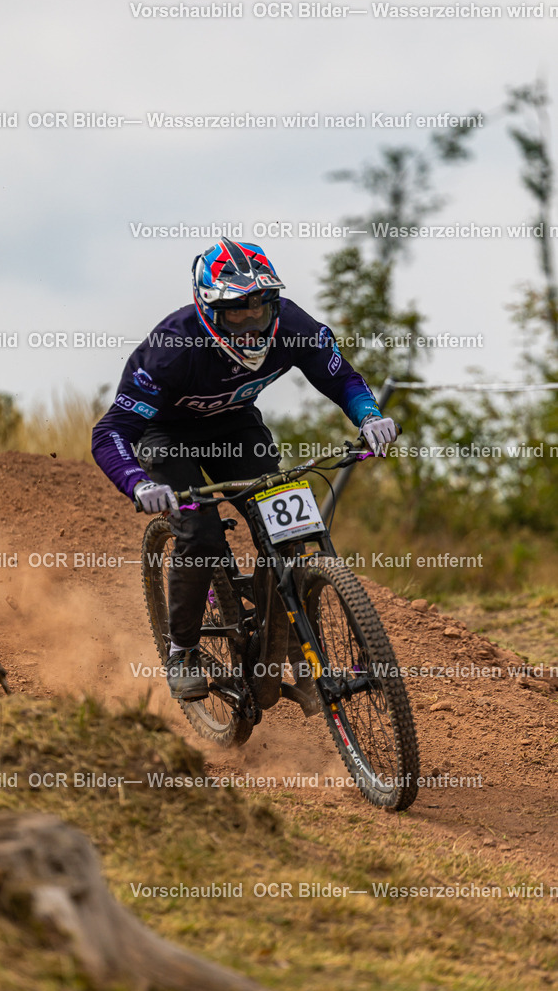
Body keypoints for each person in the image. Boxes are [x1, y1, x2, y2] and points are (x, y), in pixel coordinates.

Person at [92, 239, 397, 703]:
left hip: (233, 428)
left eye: (261, 308)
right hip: (165, 435)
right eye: (237, 312)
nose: (253, 323)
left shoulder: (291, 324)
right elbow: (109, 431)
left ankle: (295, 640)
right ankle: (183, 651)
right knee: (202, 534)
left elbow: (342, 378)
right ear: (208, 310)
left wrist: (369, 417)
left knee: (292, 528)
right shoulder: (170, 351)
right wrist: (139, 482)